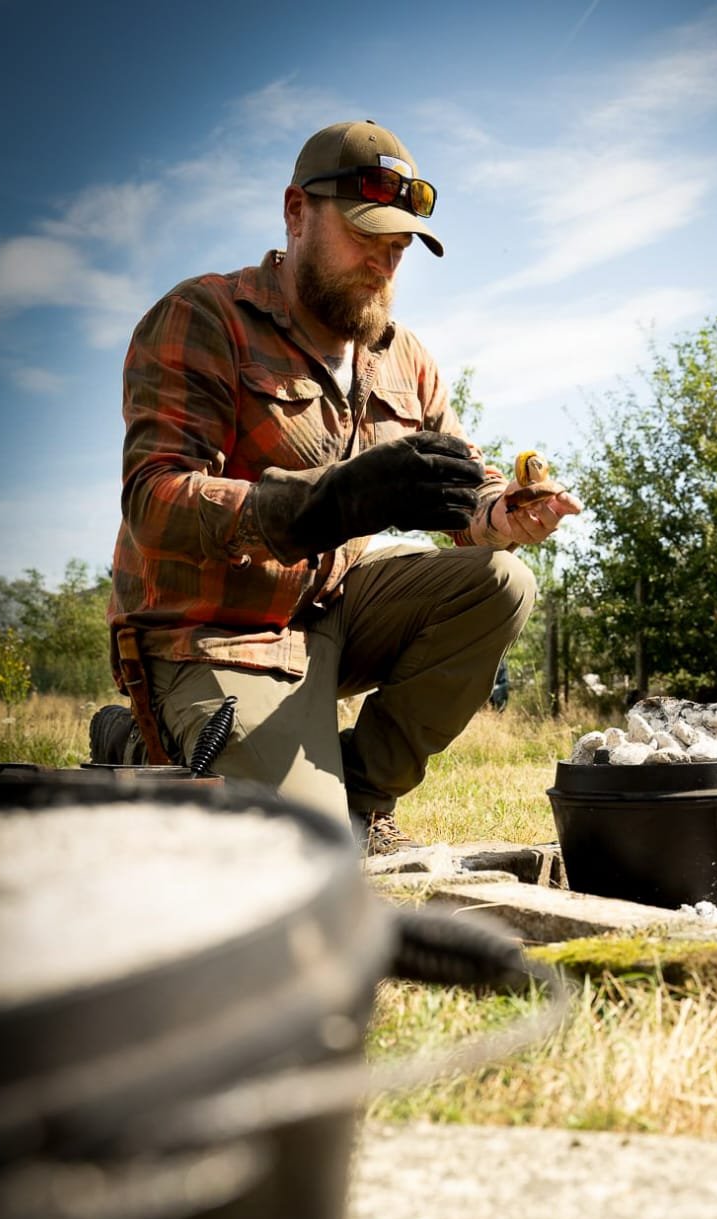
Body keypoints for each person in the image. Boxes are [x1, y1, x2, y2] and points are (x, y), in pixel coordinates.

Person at [103, 118, 580, 851]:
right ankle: (136, 745)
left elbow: (464, 491)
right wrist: (325, 501)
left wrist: (501, 512)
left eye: (397, 249)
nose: (383, 264)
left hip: (333, 610)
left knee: (501, 581)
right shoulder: (204, 318)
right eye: (366, 238)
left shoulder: (404, 357)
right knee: (285, 848)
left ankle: (356, 798)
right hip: (217, 635)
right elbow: (154, 501)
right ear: (296, 212)